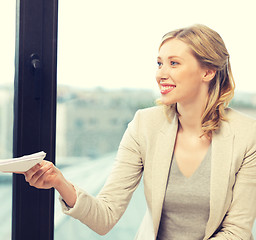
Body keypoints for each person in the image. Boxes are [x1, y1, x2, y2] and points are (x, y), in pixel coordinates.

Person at [19, 24, 256, 239]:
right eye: (159, 63)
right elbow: (105, 216)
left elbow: (237, 231)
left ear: (208, 72)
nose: (161, 74)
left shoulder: (247, 135)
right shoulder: (145, 125)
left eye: (174, 63)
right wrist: (59, 182)